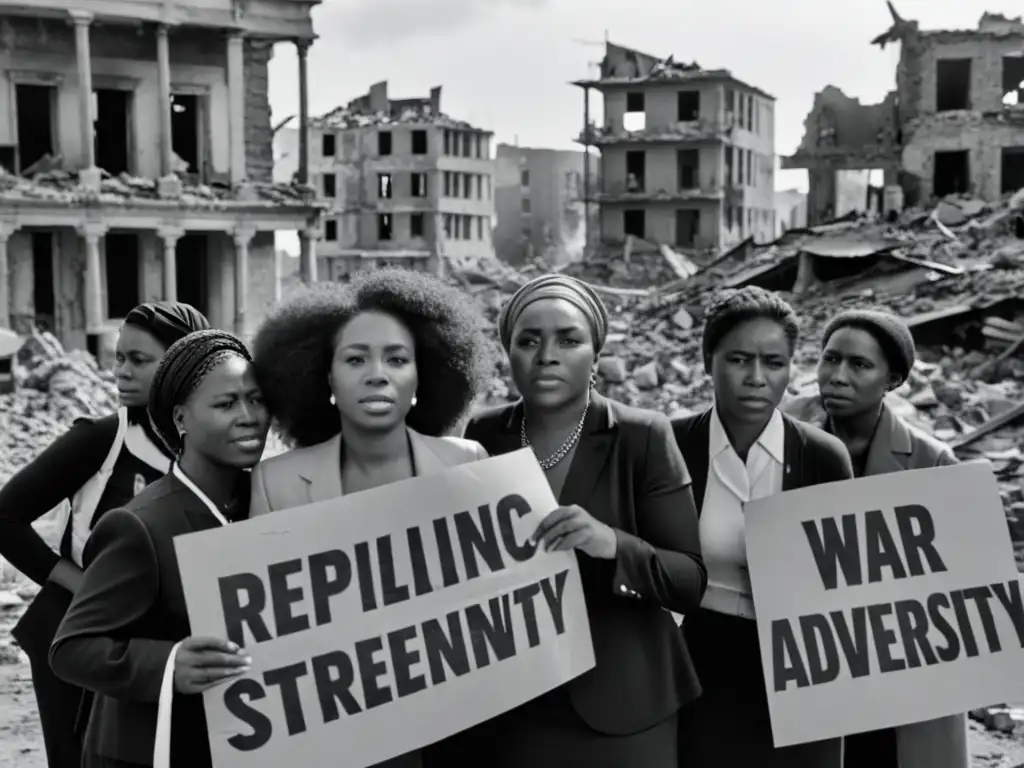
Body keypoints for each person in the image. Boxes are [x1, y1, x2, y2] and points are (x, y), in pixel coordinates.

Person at [430, 274, 706, 768]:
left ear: (596, 355)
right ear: (509, 353)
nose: (547, 354)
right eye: (529, 340)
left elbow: (689, 580)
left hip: (624, 706)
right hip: (516, 705)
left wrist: (614, 545)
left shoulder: (643, 435)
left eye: (568, 339)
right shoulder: (485, 435)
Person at [247, 268, 494, 767]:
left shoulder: (468, 463)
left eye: (397, 359)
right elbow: (268, 635)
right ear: (327, 378)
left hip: (452, 733)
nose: (377, 373)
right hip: (331, 738)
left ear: (422, 377)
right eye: (356, 358)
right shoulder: (276, 482)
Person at [0, 301, 208, 768]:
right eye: (118, 358)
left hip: (164, 648)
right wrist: (78, 584)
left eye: (139, 360)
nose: (121, 372)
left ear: (184, 365)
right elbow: (5, 516)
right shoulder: (102, 439)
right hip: (82, 639)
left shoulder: (212, 448)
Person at [49, 330, 268, 768]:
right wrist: (167, 663)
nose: (249, 417)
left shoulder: (267, 503)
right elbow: (71, 648)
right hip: (149, 750)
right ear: (181, 418)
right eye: (225, 404)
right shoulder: (140, 526)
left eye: (257, 400)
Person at [671, 286, 854, 767]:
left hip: (801, 664)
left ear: (792, 369)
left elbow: (847, 578)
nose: (756, 378)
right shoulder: (668, 446)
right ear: (708, 360)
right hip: (698, 659)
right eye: (738, 360)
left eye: (774, 363)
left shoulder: (822, 456)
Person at [817, 308, 967, 768]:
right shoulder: (785, 448)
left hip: (905, 673)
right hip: (818, 668)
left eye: (859, 365)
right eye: (830, 359)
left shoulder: (933, 463)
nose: (838, 376)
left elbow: (963, 587)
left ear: (893, 380)